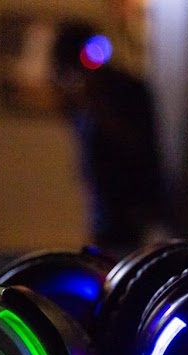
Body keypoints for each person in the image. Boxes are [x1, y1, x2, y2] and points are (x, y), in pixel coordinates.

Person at [51, 22, 165, 254]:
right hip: (101, 204)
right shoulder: (78, 96)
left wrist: (98, 104)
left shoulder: (127, 89)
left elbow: (138, 144)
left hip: (130, 203)